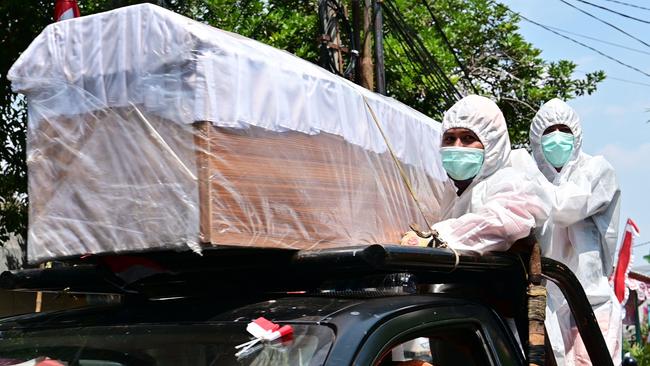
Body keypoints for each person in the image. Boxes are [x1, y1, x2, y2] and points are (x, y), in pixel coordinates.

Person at [529, 98, 622, 366]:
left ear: (577, 135)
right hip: (546, 304)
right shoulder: (534, 178)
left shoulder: (597, 170)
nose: (557, 138)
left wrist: (523, 175)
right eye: (549, 131)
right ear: (537, 138)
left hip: (591, 302)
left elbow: (564, 206)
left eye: (564, 130)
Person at [402, 94, 550, 254]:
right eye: (450, 139)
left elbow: (504, 223)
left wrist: (437, 238)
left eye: (468, 138)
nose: (457, 146)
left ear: (492, 144)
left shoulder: (513, 182)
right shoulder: (455, 193)